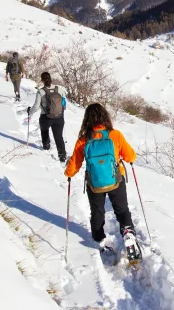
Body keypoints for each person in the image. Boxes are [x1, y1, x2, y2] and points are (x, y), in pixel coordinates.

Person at [64, 103, 141, 261]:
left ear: (87, 120)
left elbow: (75, 164)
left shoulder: (84, 140)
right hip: (116, 180)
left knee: (97, 212)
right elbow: (130, 156)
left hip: (95, 184)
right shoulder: (115, 135)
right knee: (122, 210)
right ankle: (127, 232)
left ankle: (100, 239)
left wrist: (68, 173)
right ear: (105, 116)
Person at [27, 72, 67, 162]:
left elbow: (36, 106)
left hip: (45, 117)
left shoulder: (41, 91)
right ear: (50, 78)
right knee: (59, 137)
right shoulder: (59, 89)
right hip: (59, 117)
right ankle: (62, 156)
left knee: (44, 131)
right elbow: (64, 103)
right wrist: (61, 111)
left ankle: (46, 146)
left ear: (42, 80)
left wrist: (30, 112)